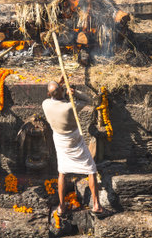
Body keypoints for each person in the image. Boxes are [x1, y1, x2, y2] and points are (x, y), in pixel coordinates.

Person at [42, 79, 105, 217]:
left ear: (49, 94)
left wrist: (60, 85)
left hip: (59, 138)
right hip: (73, 139)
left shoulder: (45, 104)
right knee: (91, 169)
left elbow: (52, 94)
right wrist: (74, 92)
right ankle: (96, 205)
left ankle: (62, 206)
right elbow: (88, 99)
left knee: (62, 172)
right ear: (61, 91)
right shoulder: (69, 107)